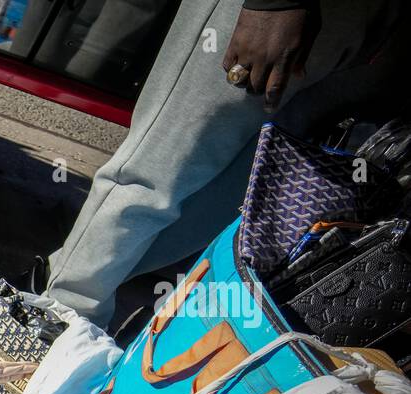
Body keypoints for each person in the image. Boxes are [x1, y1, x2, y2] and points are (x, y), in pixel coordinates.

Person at [42, 0, 409, 329]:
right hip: (283, 12)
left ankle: (82, 316)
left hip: (378, 26)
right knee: (158, 172)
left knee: (242, 192)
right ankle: (57, 315)